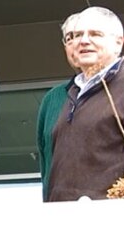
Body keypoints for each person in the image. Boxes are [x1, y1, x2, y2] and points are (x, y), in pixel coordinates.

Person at [47, 6, 124, 202]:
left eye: (95, 34)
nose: (84, 40)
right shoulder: (73, 92)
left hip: (114, 224)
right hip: (62, 221)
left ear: (118, 42)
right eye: (77, 35)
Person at [37, 13, 80, 201]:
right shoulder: (52, 99)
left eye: (93, 34)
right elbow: (46, 164)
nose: (81, 42)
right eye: (71, 37)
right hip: (60, 215)